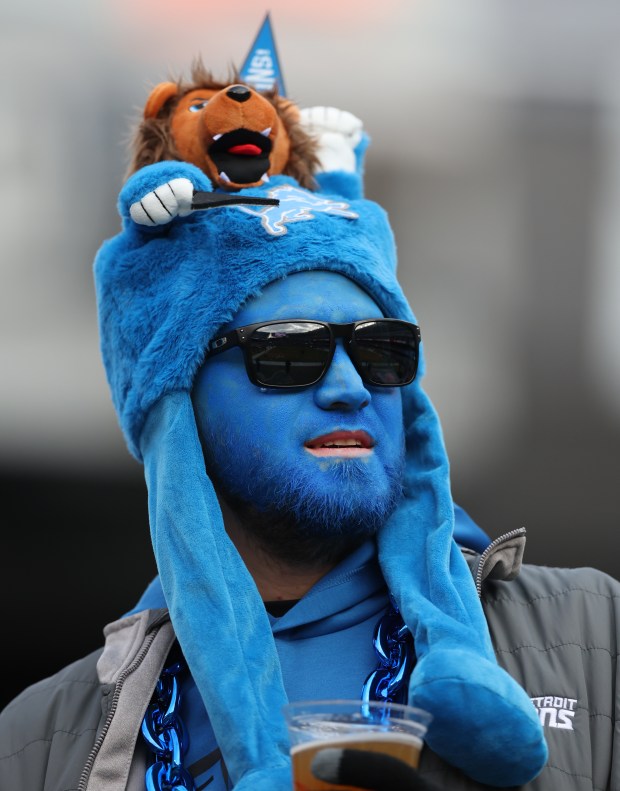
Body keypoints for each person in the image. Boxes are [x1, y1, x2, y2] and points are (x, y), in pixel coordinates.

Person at [1, 84, 619, 791]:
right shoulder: (37, 741)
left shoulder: (594, 636)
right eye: (289, 351)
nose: (352, 386)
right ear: (180, 400)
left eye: (383, 348)